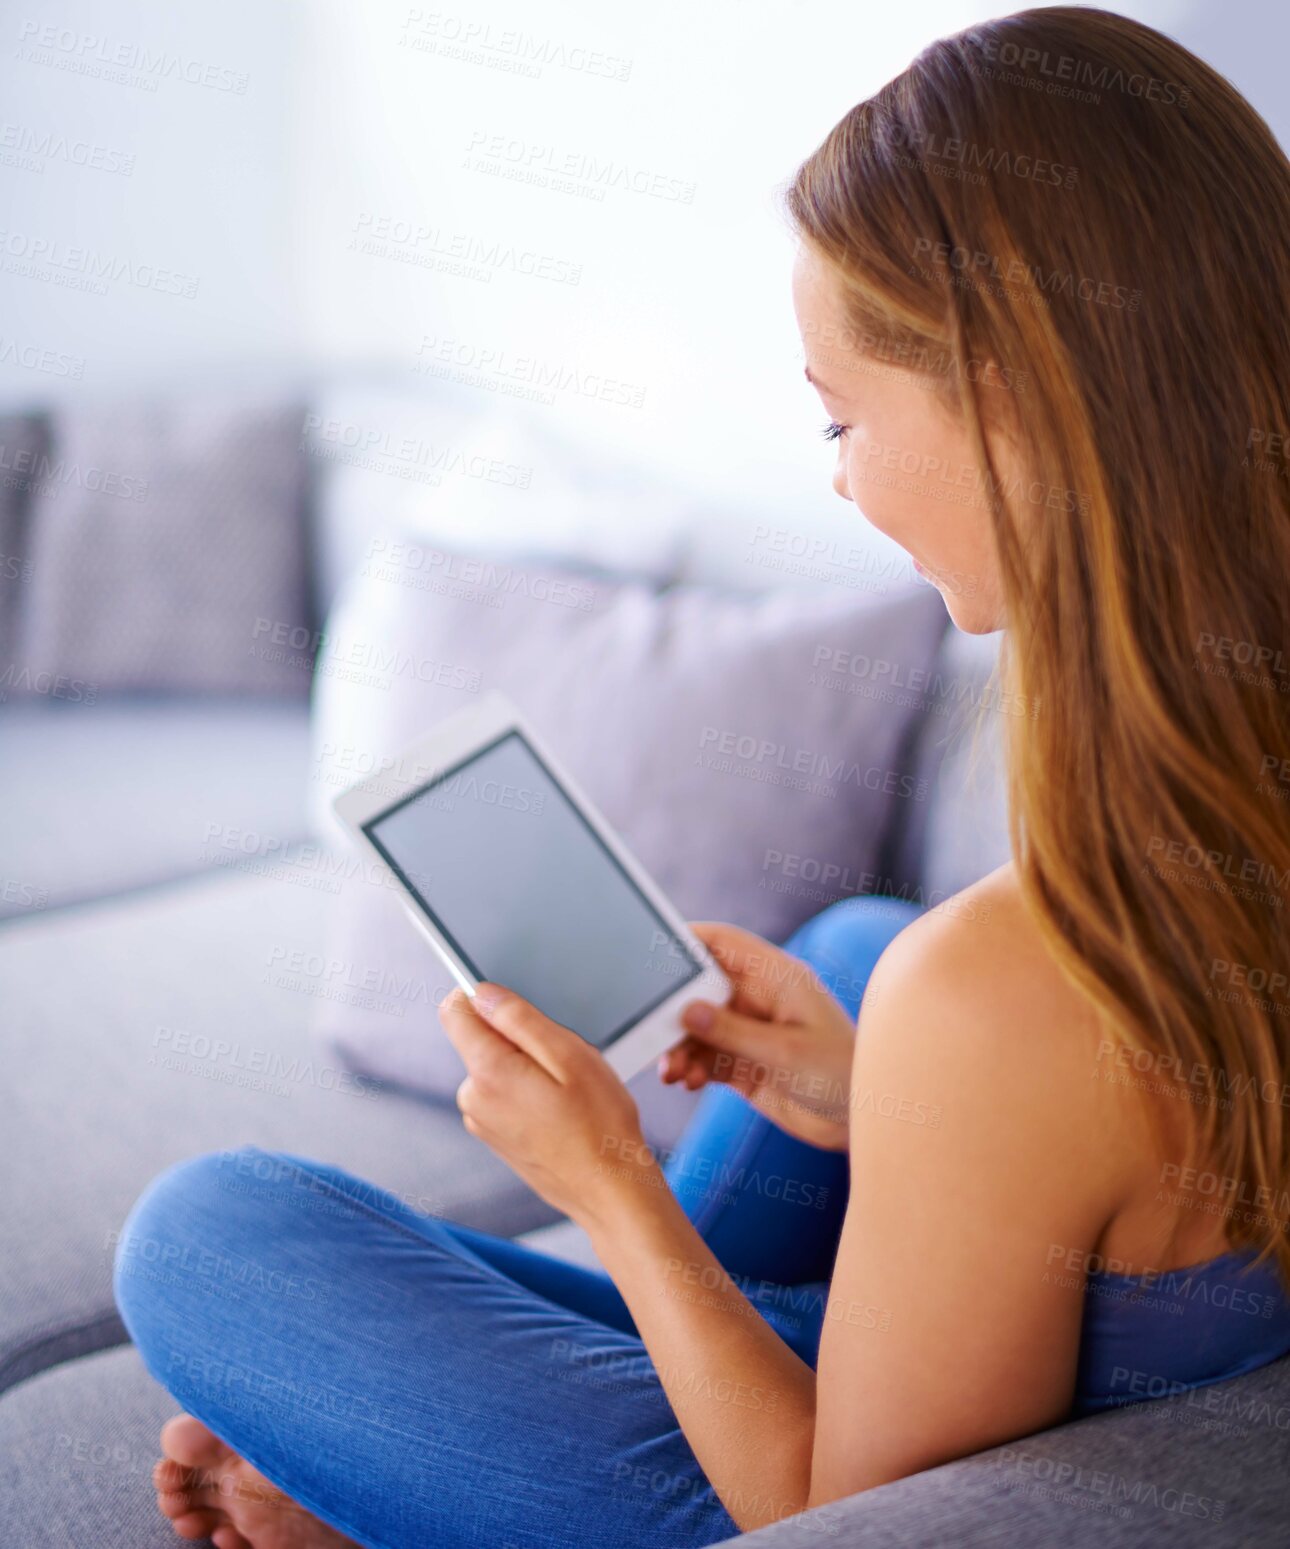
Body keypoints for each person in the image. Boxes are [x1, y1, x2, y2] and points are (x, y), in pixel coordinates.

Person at [113, 7, 1290, 1546]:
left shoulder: (1009, 989)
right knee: (860, 957)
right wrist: (881, 1101)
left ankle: (410, 1492)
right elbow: (1132, 1144)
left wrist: (609, 1181)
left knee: (211, 1236)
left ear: (1011, 407)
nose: (841, 476)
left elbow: (839, 1515)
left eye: (842, 416)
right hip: (1076, 1328)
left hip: (810, 1484)